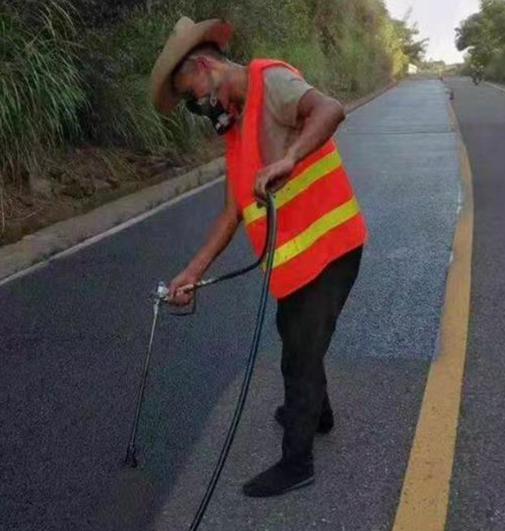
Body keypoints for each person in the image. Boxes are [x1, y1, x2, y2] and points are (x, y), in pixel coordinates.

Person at [151, 16, 367, 498]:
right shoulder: (235, 129)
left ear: (205, 67)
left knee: (299, 353)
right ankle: (318, 413)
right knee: (294, 335)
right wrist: (191, 273)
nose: (198, 108)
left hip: (331, 246)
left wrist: (290, 157)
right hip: (298, 262)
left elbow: (330, 109)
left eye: (193, 97)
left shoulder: (271, 82)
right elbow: (232, 212)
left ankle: (297, 463)